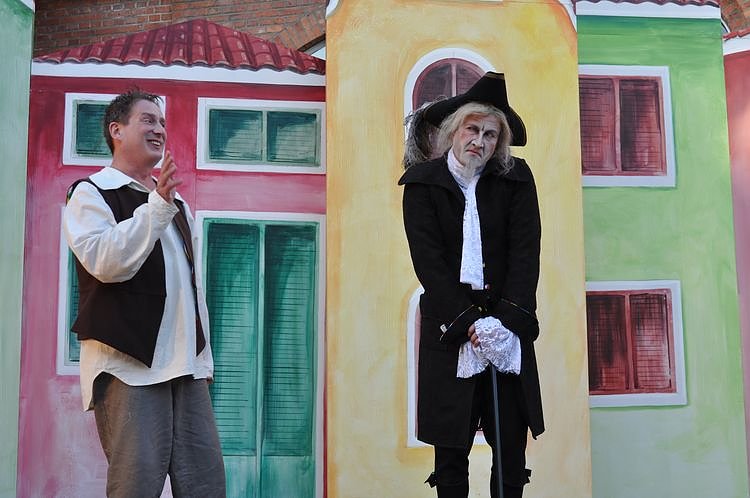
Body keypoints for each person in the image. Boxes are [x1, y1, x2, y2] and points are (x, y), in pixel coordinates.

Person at [63, 90, 226, 498]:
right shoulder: (91, 193)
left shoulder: (176, 203)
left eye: (162, 123)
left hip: (186, 369)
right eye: (148, 120)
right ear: (116, 131)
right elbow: (106, 262)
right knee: (134, 488)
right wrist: (157, 206)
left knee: (206, 487)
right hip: (128, 367)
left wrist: (204, 361)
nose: (159, 129)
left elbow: (191, 289)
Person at [398, 72, 543, 498]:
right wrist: (468, 323)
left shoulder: (517, 179)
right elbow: (429, 264)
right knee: (450, 455)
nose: (479, 141)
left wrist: (503, 322)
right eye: (472, 129)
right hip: (451, 328)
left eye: (490, 134)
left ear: (499, 142)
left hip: (506, 327)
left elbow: (525, 254)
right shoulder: (423, 185)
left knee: (511, 450)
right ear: (453, 131)